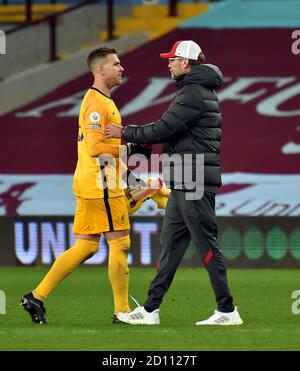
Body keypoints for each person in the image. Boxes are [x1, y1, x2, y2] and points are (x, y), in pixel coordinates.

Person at [20, 47, 163, 325]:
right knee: (120, 243)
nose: (121, 68)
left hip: (90, 181)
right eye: (116, 64)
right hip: (100, 185)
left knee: (86, 246)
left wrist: (128, 163)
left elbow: (99, 148)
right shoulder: (97, 103)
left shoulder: (101, 101)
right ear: (101, 70)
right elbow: (96, 147)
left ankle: (36, 296)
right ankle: (122, 312)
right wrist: (132, 146)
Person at [105, 40, 243, 326]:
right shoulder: (194, 90)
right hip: (185, 179)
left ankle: (228, 311)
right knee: (170, 249)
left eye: (172, 59)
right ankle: (150, 309)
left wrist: (125, 131)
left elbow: (164, 128)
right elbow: (168, 130)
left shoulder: (192, 92)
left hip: (193, 178)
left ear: (186, 63)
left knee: (207, 244)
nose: (168, 63)